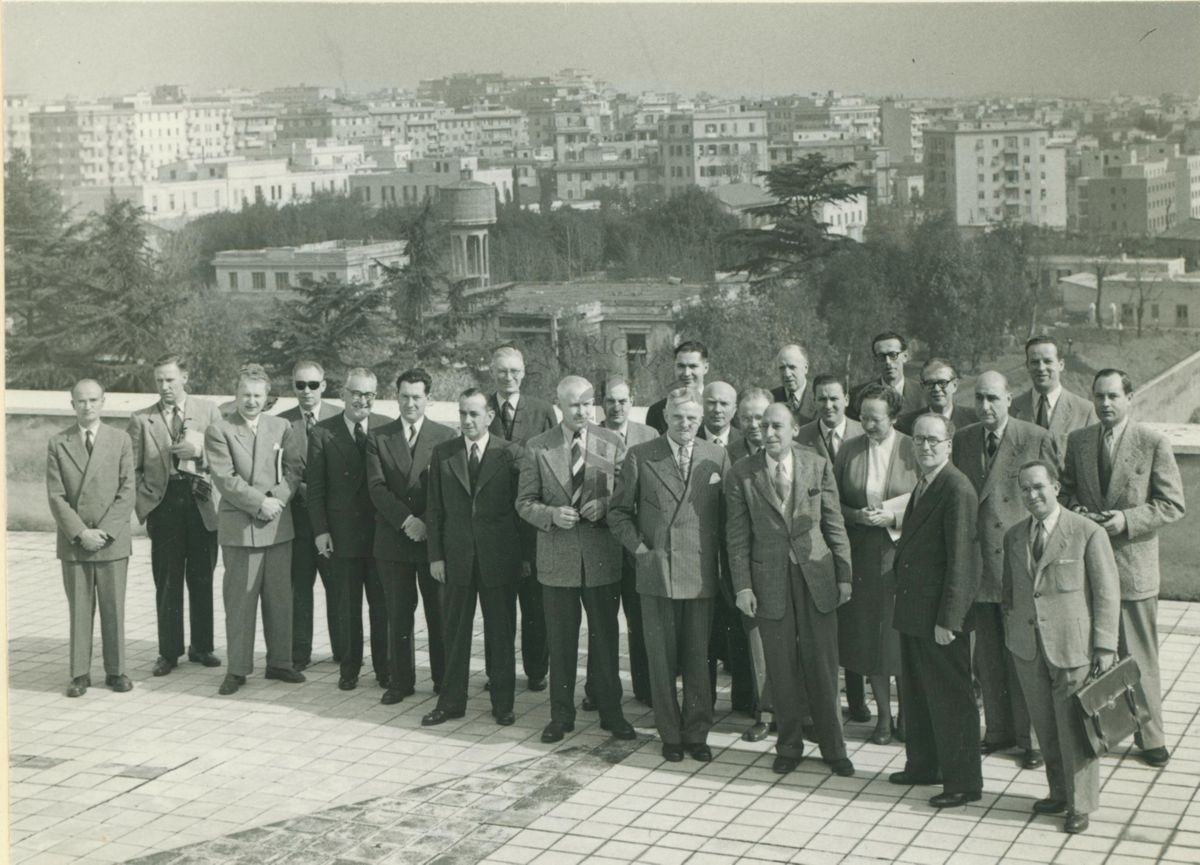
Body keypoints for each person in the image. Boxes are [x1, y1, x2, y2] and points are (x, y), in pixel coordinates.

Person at [1060, 369, 1185, 768]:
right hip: (1089, 569)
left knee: (1138, 655)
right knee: (1094, 653)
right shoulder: (1079, 441)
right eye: (1099, 396)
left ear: (1130, 397)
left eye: (1114, 396)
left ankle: (1151, 738)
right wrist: (1077, 510)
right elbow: (1066, 490)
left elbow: (1172, 504)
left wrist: (1127, 521)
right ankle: (1103, 729)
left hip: (1133, 569)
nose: (1105, 404)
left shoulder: (1152, 443)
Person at [726, 403, 855, 777]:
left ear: (795, 429)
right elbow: (736, 538)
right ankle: (789, 744)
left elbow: (834, 523)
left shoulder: (816, 463)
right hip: (769, 581)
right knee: (779, 666)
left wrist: (844, 574)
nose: (769, 433)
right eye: (763, 426)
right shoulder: (742, 474)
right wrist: (743, 586)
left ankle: (834, 747)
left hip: (817, 576)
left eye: (777, 426)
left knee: (824, 665)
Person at [609, 387, 730, 762]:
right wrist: (641, 549)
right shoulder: (641, 456)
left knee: (698, 659)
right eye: (679, 417)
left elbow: (728, 518)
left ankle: (697, 733)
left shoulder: (717, 457)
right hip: (657, 573)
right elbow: (617, 513)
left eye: (693, 418)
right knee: (660, 659)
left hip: (699, 574)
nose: (686, 424)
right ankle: (670, 733)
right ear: (665, 418)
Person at [1004, 460, 1120, 835]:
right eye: (1025, 489)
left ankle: (1080, 804)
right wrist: (1014, 635)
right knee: (1045, 727)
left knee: (1074, 729)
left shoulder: (1086, 532)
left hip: (1074, 647)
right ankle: (1058, 793)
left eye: (1039, 487)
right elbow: (1011, 593)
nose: (1032, 495)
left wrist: (1104, 645)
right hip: (1028, 647)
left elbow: (1106, 593)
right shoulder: (1014, 535)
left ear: (1055, 486)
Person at [517, 376, 636, 744]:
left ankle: (612, 713)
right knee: (562, 641)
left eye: (588, 403)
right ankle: (560, 715)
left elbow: (626, 496)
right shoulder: (538, 447)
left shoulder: (610, 442)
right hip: (558, 560)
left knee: (604, 640)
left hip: (601, 558)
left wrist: (605, 504)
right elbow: (523, 502)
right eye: (574, 405)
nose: (582, 411)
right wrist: (550, 515)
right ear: (559, 407)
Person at [953, 371, 1056, 771]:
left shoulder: (1034, 438)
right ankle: (997, 730)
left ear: (1010, 398)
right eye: (979, 399)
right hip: (979, 565)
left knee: (1023, 655)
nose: (985, 407)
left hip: (1017, 563)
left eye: (993, 398)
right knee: (989, 657)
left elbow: (1050, 499)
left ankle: (1029, 739)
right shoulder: (963, 439)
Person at [889, 413, 982, 809]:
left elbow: (963, 561)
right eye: (919, 440)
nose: (924, 446)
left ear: (949, 445)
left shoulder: (956, 488)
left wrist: (950, 619)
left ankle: (963, 782)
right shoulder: (925, 484)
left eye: (933, 440)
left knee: (950, 699)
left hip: (939, 617)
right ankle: (925, 765)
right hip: (914, 612)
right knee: (918, 695)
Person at [423, 388, 525, 727]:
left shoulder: (510, 453)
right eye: (463, 413)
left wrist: (522, 559)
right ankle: (451, 702)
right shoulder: (444, 453)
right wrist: (436, 556)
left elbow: (520, 511)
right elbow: (434, 509)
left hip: (499, 560)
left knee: (501, 634)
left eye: (474, 414)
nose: (467, 421)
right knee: (454, 635)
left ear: (490, 416)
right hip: (456, 560)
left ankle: (503, 704)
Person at [205, 364, 304, 696]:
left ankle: (280, 662)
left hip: (277, 525)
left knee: (280, 599)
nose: (251, 401)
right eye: (245, 394)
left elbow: (294, 470)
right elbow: (225, 478)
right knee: (240, 601)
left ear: (267, 397)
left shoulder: (281, 427)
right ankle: (237, 669)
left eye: (257, 395)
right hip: (241, 526)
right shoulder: (220, 430)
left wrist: (276, 499)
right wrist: (259, 502)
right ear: (235, 396)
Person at [127, 354, 223, 677]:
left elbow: (225, 458)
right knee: (167, 581)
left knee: (202, 576)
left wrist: (200, 453)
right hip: (165, 503)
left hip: (200, 500)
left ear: (184, 377)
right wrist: (148, 507)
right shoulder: (142, 419)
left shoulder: (208, 411)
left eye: (170, 379)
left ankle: (202, 646)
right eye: (159, 381)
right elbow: (133, 469)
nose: (165, 387)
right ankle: (168, 652)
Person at [834, 383, 918, 740]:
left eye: (876, 419)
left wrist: (894, 518)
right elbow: (833, 504)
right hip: (866, 556)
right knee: (874, 641)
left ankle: (909, 716)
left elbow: (928, 501)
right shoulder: (849, 450)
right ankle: (884, 716)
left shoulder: (913, 449)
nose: (868, 425)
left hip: (905, 556)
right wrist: (857, 516)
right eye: (863, 417)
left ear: (894, 417)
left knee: (902, 639)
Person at [366, 368, 455, 704]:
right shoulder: (379, 436)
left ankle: (444, 679)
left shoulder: (445, 436)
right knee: (398, 615)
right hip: (394, 540)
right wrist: (407, 521)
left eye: (416, 396)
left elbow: (447, 490)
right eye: (404, 396)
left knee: (439, 614)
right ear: (396, 397)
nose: (410, 403)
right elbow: (377, 487)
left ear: (427, 399)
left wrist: (426, 524)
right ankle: (400, 681)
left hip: (432, 542)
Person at [47, 379, 136, 697]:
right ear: (72, 404)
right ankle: (79, 673)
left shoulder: (120, 439)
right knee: (80, 609)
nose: (88, 406)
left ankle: (116, 671)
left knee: (114, 608)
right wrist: (81, 532)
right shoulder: (59, 443)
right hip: (76, 542)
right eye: (81, 401)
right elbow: (56, 497)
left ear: (103, 402)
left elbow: (128, 491)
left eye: (94, 400)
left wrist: (105, 531)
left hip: (111, 541)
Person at [306, 368, 391, 692]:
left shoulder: (385, 427)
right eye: (356, 393)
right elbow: (315, 489)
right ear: (343, 394)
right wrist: (320, 531)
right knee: (347, 605)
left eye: (369, 394)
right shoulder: (323, 433)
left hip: (380, 534)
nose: (362, 400)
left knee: (382, 605)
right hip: (341, 536)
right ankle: (350, 668)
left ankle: (385, 668)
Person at [487, 344, 556, 692]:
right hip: (494, 524)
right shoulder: (481, 409)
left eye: (514, 371)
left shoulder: (543, 411)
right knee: (498, 610)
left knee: (535, 606)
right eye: (502, 370)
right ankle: (498, 673)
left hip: (531, 524)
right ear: (492, 371)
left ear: (524, 372)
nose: (508, 377)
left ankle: (536, 671)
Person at [594, 375, 656, 707]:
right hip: (603, 543)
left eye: (622, 400)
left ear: (633, 401)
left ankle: (645, 689)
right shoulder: (591, 438)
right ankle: (601, 691)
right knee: (603, 624)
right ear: (601, 404)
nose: (616, 407)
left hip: (638, 543)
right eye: (610, 401)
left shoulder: (650, 436)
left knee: (640, 621)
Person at [278, 360, 344, 670]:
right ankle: (299, 653)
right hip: (297, 519)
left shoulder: (339, 418)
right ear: (293, 386)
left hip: (332, 521)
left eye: (313, 385)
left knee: (338, 587)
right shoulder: (280, 422)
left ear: (324, 385)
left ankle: (344, 651)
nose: (307, 391)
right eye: (300, 385)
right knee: (299, 588)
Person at [699, 381, 752, 715]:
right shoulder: (690, 437)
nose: (717, 409)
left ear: (735, 410)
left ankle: (745, 700)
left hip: (737, 556)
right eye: (712, 402)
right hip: (701, 554)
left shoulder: (747, 441)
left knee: (740, 631)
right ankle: (703, 703)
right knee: (705, 635)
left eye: (724, 404)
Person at [729, 387, 777, 742]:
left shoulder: (793, 453)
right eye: (746, 417)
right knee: (758, 644)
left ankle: (797, 710)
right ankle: (765, 712)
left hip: (789, 566)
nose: (754, 424)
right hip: (749, 563)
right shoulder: (726, 456)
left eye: (760, 417)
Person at [1010, 335, 1097, 457]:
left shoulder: (1085, 411)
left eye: (1047, 361)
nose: (1041, 368)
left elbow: (1090, 463)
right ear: (1027, 366)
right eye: (1035, 362)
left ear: (1061, 365)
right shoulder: (1012, 408)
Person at [848, 332, 924, 420]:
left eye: (893, 355)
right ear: (875, 360)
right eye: (881, 356)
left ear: (905, 356)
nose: (887, 362)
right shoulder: (857, 395)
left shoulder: (923, 393)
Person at [896, 358, 977, 435]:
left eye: (942, 383)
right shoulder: (906, 424)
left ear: (955, 385)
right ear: (923, 387)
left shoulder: (975, 420)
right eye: (930, 383)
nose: (936, 389)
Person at [644, 340, 710, 434]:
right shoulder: (657, 411)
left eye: (693, 366)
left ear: (706, 368)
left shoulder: (719, 408)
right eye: (681, 366)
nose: (686, 373)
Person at [797, 374, 863, 463]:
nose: (828, 406)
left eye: (834, 399)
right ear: (814, 401)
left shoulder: (864, 433)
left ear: (846, 400)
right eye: (822, 399)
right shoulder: (800, 437)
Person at [770, 344, 817, 426]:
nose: (787, 374)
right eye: (782, 368)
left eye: (792, 367)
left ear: (806, 368)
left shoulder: (819, 398)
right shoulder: (771, 399)